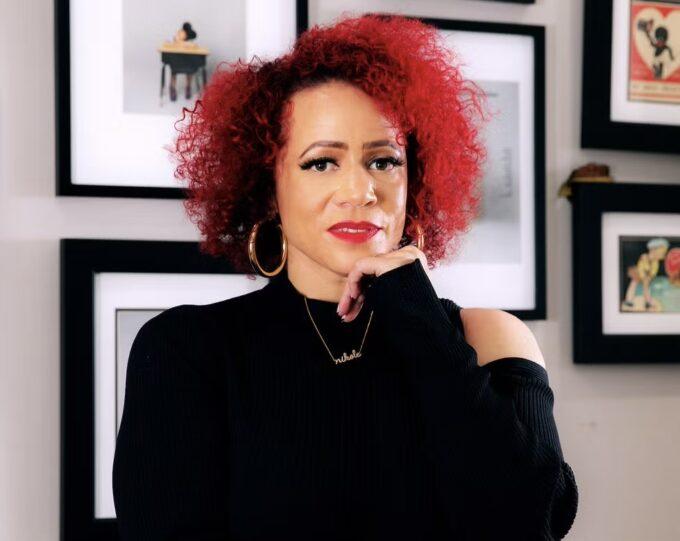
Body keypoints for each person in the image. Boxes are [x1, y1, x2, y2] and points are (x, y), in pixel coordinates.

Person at [112, 12, 578, 540]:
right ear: (269, 187)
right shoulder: (187, 350)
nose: (360, 191)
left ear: (415, 178)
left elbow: (533, 523)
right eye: (320, 163)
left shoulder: (487, 339)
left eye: (384, 161)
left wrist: (421, 318)